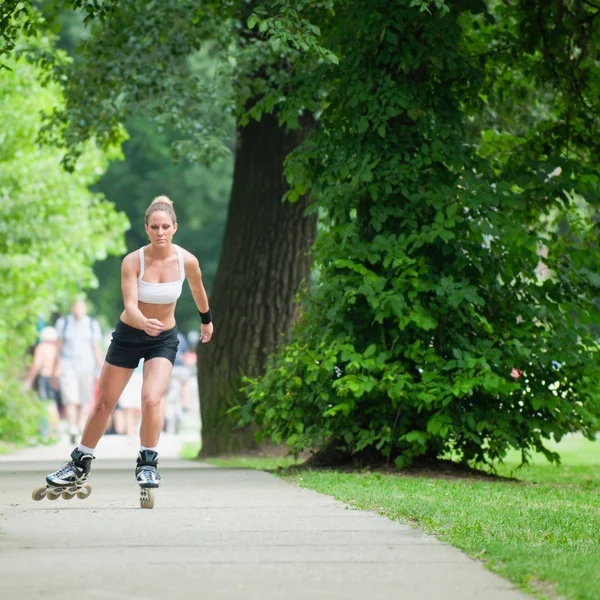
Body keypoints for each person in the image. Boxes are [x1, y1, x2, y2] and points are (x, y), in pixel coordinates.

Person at [45, 196, 214, 494]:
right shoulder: (132, 261)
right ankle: (79, 464)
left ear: (175, 228)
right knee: (104, 402)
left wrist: (206, 320)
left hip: (163, 338)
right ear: (146, 229)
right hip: (129, 334)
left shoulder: (186, 261)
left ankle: (147, 462)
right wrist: (142, 322)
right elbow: (131, 306)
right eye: (154, 227)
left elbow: (198, 290)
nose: (160, 232)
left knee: (151, 399)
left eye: (165, 227)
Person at [53, 299, 103, 444]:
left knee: (84, 397)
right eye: (75, 307)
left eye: (80, 307)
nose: (78, 310)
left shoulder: (92, 324)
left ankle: (80, 425)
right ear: (71, 308)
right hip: (68, 365)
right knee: (70, 397)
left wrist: (101, 369)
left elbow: (96, 348)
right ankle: (72, 427)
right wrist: (55, 368)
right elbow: (59, 347)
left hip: (87, 365)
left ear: (85, 308)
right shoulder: (64, 323)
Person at [23, 326, 61, 438]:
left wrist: (29, 379)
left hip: (46, 377)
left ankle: (51, 430)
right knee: (53, 403)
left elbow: (37, 364)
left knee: (48, 404)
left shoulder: (42, 347)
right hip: (57, 378)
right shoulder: (58, 348)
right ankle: (54, 429)